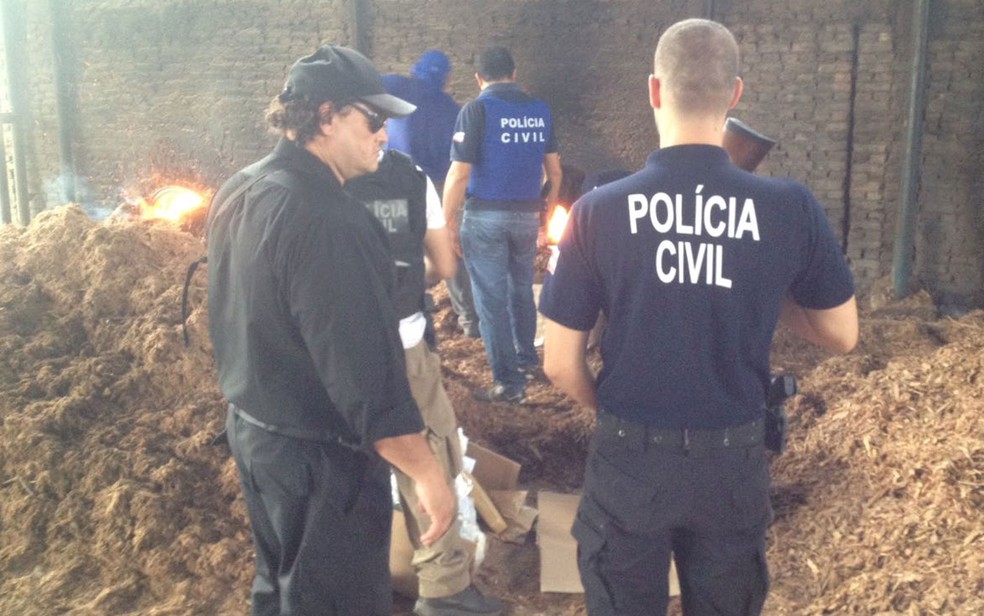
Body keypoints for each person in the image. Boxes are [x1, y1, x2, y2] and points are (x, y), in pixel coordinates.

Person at [539, 19, 858, 616]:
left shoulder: (595, 211)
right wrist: (764, 278)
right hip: (731, 463)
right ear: (735, 94)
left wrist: (614, 414)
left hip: (630, 459)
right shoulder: (789, 207)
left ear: (654, 91)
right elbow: (842, 334)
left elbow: (559, 364)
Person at [206, 44, 454, 616]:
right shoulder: (332, 223)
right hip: (319, 462)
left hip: (254, 436)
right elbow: (363, 376)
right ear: (325, 116)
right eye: (372, 120)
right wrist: (426, 472)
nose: (383, 136)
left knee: (278, 587)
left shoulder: (241, 188)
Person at [347, 149, 504, 616]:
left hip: (334, 346)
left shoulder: (315, 179)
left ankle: (355, 583)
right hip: (405, 341)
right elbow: (444, 267)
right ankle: (442, 589)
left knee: (342, 461)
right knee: (429, 456)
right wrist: (406, 284)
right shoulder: (412, 175)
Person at [443, 45, 562, 404]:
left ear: (479, 79)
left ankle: (508, 384)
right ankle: (526, 360)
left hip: (485, 218)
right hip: (526, 216)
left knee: (491, 300)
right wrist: (544, 215)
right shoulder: (540, 110)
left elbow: (459, 173)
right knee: (521, 289)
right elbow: (554, 172)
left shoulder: (476, 109)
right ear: (514, 73)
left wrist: (447, 220)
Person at [382, 50, 481, 339]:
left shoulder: (400, 88)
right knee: (448, 250)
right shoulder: (450, 108)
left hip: (395, 181)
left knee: (399, 247)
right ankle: (470, 320)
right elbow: (459, 159)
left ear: (416, 69)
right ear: (445, 77)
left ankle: (400, 304)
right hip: (435, 186)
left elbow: (366, 83)